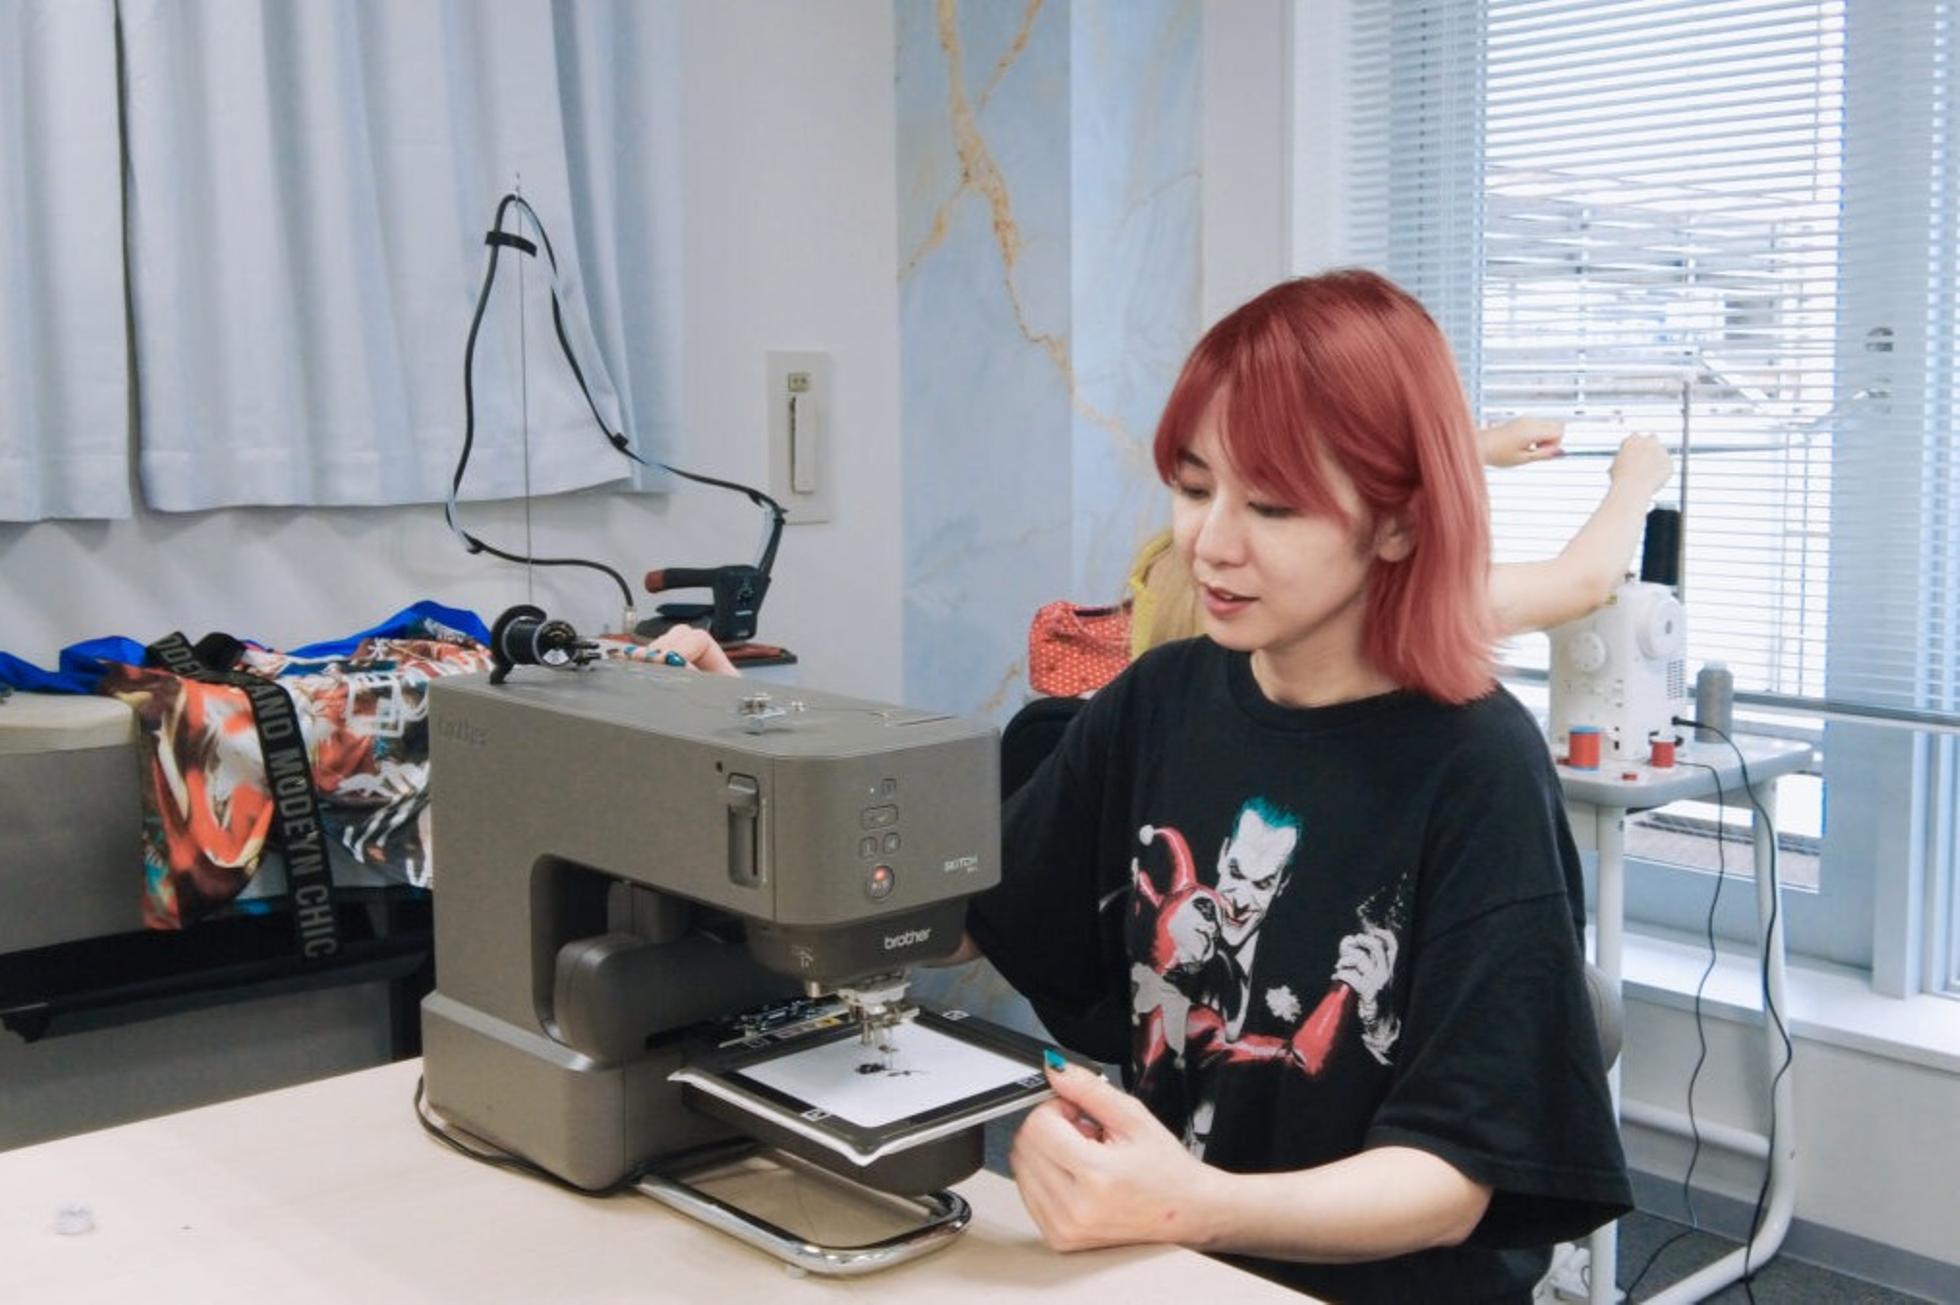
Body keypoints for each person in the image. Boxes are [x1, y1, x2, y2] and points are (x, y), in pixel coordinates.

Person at [947, 270, 1630, 1302]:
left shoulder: (1476, 765)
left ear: (1397, 524)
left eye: (1271, 505)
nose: (1210, 544)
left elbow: (1452, 1178)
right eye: (1193, 488)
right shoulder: (1161, 698)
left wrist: (1192, 1203)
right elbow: (975, 919)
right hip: (1166, 1269)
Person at [1130, 420, 1675, 653]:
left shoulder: (1172, 559)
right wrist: (1634, 482)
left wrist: (1474, 447)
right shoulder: (1356, 599)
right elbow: (1580, 583)